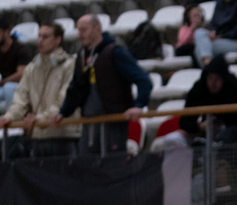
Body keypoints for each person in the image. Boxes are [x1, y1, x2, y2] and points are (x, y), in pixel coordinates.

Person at [50, 14, 153, 155]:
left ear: (97, 29)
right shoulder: (81, 55)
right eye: (78, 30)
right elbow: (76, 87)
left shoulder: (115, 52)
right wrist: (63, 112)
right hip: (89, 121)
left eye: (84, 30)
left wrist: (139, 105)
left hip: (113, 121)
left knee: (113, 165)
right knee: (88, 166)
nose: (79, 35)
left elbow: (143, 80)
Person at [0, 22, 75, 157]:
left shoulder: (70, 65)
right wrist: (9, 117)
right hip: (36, 136)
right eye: (39, 36)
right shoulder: (31, 68)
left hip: (62, 136)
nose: (40, 41)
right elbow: (21, 99)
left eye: (45, 37)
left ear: (58, 40)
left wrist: (39, 118)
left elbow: (65, 101)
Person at [181, 54, 237, 143]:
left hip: (232, 132)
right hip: (205, 132)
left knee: (228, 135)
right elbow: (184, 121)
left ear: (224, 79)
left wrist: (221, 122)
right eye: (210, 78)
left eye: (217, 78)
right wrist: (200, 126)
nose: (213, 83)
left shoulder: (236, 87)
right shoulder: (199, 88)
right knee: (175, 138)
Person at [0, 17, 31, 112]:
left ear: (7, 32)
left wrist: (3, 82)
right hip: (2, 87)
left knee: (9, 87)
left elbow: (21, 74)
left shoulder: (20, 49)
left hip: (19, 87)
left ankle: (12, 122)